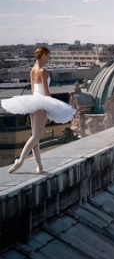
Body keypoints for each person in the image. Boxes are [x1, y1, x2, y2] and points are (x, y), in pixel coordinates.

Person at [2, 46, 75, 174]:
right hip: (41, 103)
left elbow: (33, 89)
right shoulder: (43, 71)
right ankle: (20, 162)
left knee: (35, 136)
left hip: (33, 101)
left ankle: (39, 166)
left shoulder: (32, 70)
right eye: (48, 55)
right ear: (43, 55)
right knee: (36, 136)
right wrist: (53, 105)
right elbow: (46, 93)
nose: (49, 58)